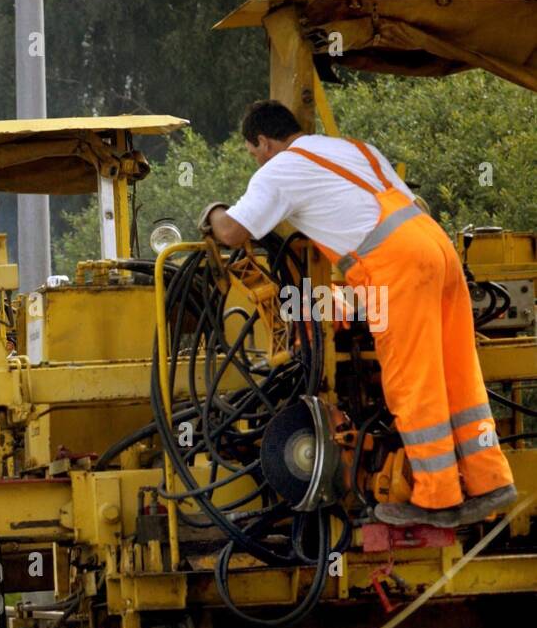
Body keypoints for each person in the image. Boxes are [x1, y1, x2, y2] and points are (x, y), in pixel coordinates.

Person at [202, 99, 516, 528]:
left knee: (412, 379)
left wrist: (213, 212)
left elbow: (233, 232)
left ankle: (437, 497)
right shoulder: (354, 148)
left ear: (263, 141)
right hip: (436, 248)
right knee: (456, 368)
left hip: (395, 264)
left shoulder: (278, 169)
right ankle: (490, 480)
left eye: (252, 151)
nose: (255, 159)